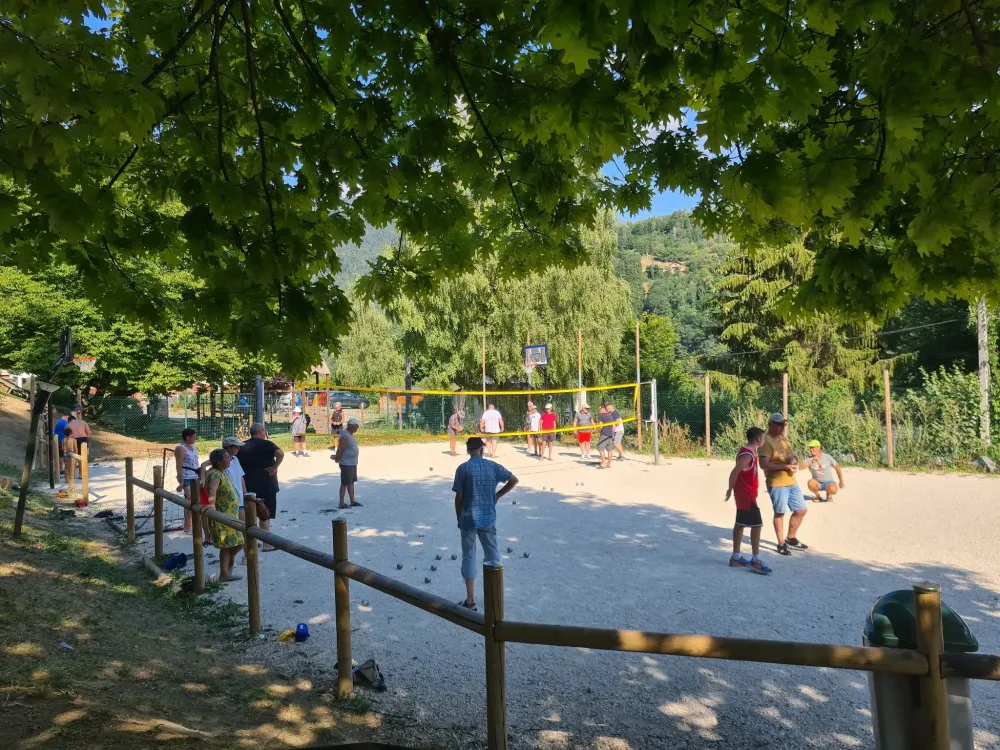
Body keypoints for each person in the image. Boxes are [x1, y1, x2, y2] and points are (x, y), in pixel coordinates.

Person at [453, 437, 519, 611]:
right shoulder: (493, 467)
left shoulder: (462, 469)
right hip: (488, 517)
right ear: (482, 449)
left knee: (469, 555)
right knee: (492, 553)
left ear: (468, 451)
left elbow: (458, 497)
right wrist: (497, 495)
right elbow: (513, 480)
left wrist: (459, 517)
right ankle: (497, 596)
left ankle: (471, 600)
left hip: (468, 518)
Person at [759, 413, 808, 556]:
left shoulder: (782, 439)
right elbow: (764, 464)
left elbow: (791, 455)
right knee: (780, 512)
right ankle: (780, 543)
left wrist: (793, 459)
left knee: (801, 510)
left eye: (784, 425)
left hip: (791, 480)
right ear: (771, 424)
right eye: (779, 424)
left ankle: (791, 538)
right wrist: (784, 467)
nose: (782, 427)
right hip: (777, 483)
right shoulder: (765, 441)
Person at [725, 427, 771, 575]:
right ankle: (755, 559)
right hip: (746, 496)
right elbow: (735, 471)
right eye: (762, 437)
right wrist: (730, 488)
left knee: (740, 524)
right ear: (758, 439)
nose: (763, 440)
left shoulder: (749, 452)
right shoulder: (748, 455)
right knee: (757, 525)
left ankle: (736, 556)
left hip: (745, 494)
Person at [240, 423, 284, 550]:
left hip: (248, 484)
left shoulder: (242, 446)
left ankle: (252, 541)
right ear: (261, 432)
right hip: (266, 484)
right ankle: (267, 543)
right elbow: (280, 454)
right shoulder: (268, 444)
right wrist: (275, 466)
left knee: (250, 514)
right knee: (265, 513)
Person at [204, 448, 244, 583]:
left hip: (231, 515)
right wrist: (212, 504)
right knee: (237, 543)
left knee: (232, 545)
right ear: (219, 461)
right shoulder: (216, 475)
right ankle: (227, 569)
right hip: (223, 517)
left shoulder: (221, 472)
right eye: (226, 458)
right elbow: (212, 490)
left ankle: (226, 571)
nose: (229, 460)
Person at [332, 417, 363, 508]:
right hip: (347, 463)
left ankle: (352, 501)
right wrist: (337, 457)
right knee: (345, 483)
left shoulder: (349, 434)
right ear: (352, 426)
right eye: (357, 426)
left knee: (351, 482)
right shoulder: (345, 436)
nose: (358, 428)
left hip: (352, 463)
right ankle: (341, 503)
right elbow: (340, 449)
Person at [174, 428, 200, 533]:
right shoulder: (180, 448)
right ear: (187, 437)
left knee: (196, 500)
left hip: (195, 476)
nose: (195, 438)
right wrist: (181, 482)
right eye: (194, 436)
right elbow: (178, 466)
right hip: (187, 477)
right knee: (189, 500)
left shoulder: (193, 447)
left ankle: (192, 524)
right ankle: (188, 525)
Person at [597, 404, 616, 468]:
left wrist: (598, 431)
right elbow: (613, 426)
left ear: (603, 409)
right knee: (609, 450)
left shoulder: (602, 416)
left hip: (604, 434)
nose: (599, 411)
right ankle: (609, 463)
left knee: (600, 448)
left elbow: (601, 426)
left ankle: (603, 463)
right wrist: (611, 433)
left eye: (599, 409)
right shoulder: (610, 415)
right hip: (610, 435)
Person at [53, 412, 69, 477]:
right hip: (62, 441)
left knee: (60, 455)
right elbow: (68, 431)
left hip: (57, 440)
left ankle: (60, 468)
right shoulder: (65, 422)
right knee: (64, 455)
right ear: (67, 416)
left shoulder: (58, 421)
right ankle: (64, 469)